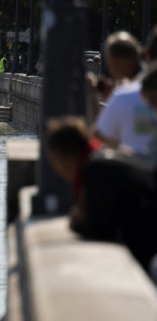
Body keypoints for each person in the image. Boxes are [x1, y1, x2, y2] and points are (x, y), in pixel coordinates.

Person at [46, 116, 157, 275]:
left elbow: (100, 228)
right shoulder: (100, 159)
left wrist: (76, 224)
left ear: (61, 156)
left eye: (54, 160)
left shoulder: (95, 169)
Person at [93, 28, 157, 161]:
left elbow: (99, 136)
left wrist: (91, 99)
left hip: (139, 177)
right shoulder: (126, 94)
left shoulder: (126, 95)